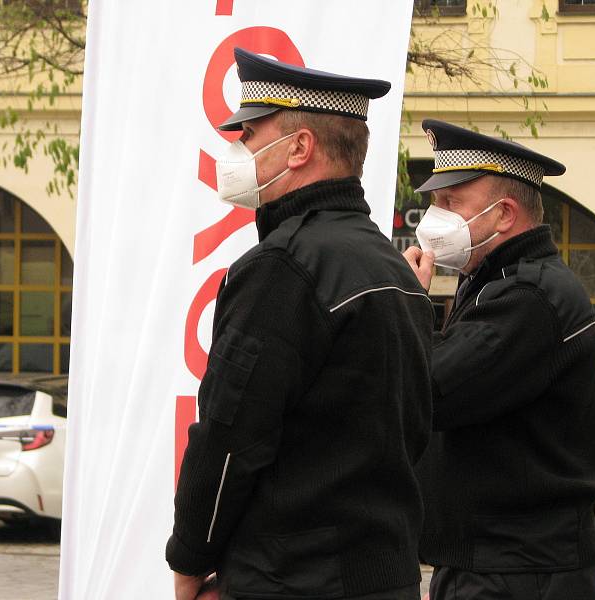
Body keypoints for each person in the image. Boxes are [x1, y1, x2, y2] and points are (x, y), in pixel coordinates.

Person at [166, 48, 434, 600]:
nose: (237, 149)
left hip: (293, 579)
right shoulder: (392, 266)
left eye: (249, 135)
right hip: (385, 577)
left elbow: (230, 439)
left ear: (299, 148)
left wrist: (190, 559)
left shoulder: (282, 268)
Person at [403, 119, 595, 600]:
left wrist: (412, 305)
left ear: (503, 215)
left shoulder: (529, 296)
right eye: (435, 201)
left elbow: (431, 389)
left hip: (520, 569)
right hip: (494, 560)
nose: (433, 217)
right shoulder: (496, 282)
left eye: (451, 202)